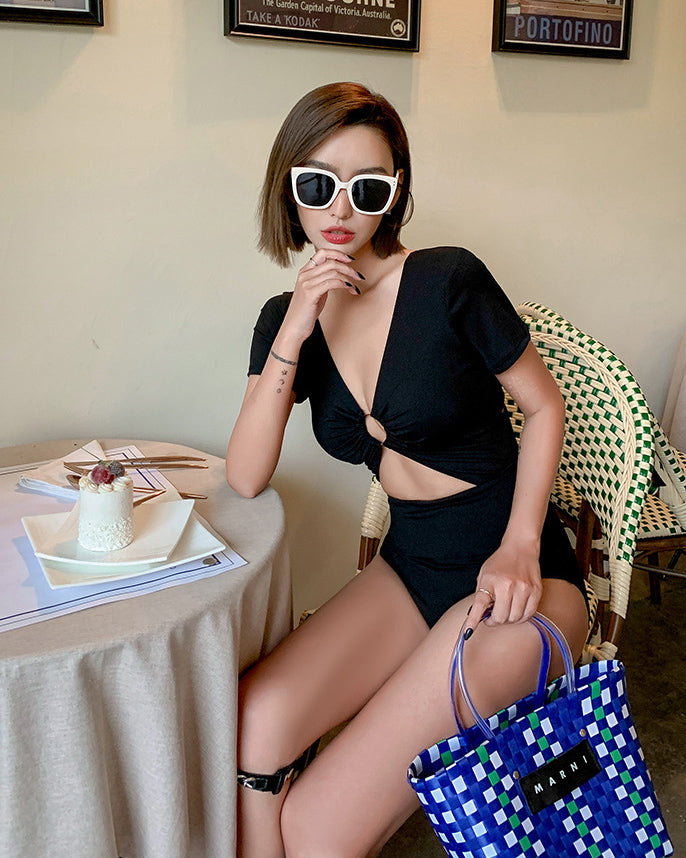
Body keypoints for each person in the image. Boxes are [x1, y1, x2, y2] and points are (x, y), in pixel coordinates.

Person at [226, 81, 589, 858]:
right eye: (318, 185)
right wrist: (296, 324)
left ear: (395, 194)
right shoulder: (284, 321)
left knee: (315, 829)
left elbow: (545, 407)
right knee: (254, 719)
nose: (341, 209)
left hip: (521, 580)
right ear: (288, 189)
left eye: (368, 188)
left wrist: (521, 544)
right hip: (413, 564)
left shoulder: (448, 279)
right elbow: (246, 474)